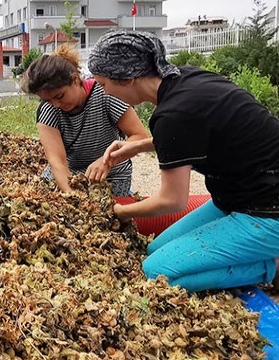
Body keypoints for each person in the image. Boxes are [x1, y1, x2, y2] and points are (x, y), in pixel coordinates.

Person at [88, 30, 279, 292]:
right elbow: (197, 133)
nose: (103, 91)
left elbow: (172, 200)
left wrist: (120, 212)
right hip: (237, 197)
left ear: (127, 78)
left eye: (103, 84)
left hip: (268, 210)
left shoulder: (171, 115)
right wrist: (138, 146)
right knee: (154, 248)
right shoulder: (183, 78)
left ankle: (271, 267)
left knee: (156, 273)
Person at [21, 43, 148, 196]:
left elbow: (140, 137)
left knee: (109, 212)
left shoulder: (106, 94)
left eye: (59, 96)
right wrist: (72, 195)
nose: (56, 104)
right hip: (69, 174)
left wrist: (106, 161)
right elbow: (57, 162)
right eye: (47, 100)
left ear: (75, 79)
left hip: (110, 174)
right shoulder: (48, 110)